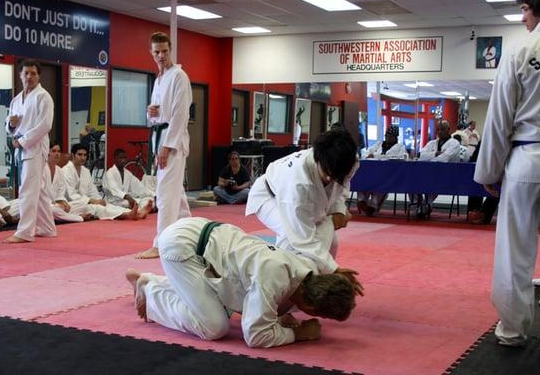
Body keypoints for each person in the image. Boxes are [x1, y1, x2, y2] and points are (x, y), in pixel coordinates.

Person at [473, 0, 540, 365]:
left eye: (524, 10)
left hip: (528, 160)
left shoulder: (521, 51)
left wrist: (488, 173)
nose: (523, 19)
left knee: (514, 254)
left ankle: (513, 330)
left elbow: (499, 120)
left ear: (538, 8)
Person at [125, 217, 357, 348]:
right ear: (311, 308)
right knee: (215, 326)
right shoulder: (275, 277)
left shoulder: (306, 273)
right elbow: (255, 335)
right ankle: (151, 293)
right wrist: (299, 334)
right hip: (182, 247)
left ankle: (153, 279)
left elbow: (253, 295)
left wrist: (278, 317)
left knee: (224, 305)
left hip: (200, 238)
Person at [246, 129, 362, 291]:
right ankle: (277, 291)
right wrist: (334, 268)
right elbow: (302, 238)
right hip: (269, 197)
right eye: (327, 173)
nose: (330, 179)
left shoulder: (349, 161)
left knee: (331, 241)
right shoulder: (298, 182)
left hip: (310, 199)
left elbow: (342, 186)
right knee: (290, 238)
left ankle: (321, 285)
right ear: (318, 158)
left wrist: (338, 209)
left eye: (335, 176)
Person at [136, 31, 192, 260]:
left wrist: (167, 146)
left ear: (171, 50)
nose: (161, 55)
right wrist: (150, 112)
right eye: (156, 52)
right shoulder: (159, 78)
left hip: (172, 141)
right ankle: (191, 234)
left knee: (165, 194)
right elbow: (157, 113)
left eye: (164, 51)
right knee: (175, 194)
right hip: (159, 136)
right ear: (151, 52)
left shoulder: (179, 76)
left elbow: (180, 114)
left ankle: (161, 245)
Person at [4, 59, 56, 243]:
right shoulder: (16, 100)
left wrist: (23, 141)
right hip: (22, 150)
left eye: (33, 73)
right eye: (26, 73)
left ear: (38, 75)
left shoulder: (43, 96)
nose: (29, 76)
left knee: (27, 189)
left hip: (34, 149)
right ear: (20, 75)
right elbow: (9, 125)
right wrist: (11, 126)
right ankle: (48, 228)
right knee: (39, 191)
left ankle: (25, 232)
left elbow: (45, 125)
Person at [62, 144, 150, 221]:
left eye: (85, 155)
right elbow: (71, 195)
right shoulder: (66, 171)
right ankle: (129, 214)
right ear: (73, 156)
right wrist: (92, 201)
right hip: (73, 204)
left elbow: (92, 191)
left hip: (86, 202)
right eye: (79, 155)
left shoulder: (85, 171)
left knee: (105, 206)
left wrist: (98, 200)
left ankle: (133, 213)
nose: (83, 157)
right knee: (96, 208)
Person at [412, 119, 461, 218]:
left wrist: (429, 158)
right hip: (430, 174)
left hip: (448, 176)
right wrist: (435, 154)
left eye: (442, 129)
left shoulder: (454, 143)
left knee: (431, 181)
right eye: (438, 129)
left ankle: (427, 205)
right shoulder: (432, 143)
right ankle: (420, 205)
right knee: (411, 182)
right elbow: (421, 156)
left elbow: (444, 158)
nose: (439, 132)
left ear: (448, 129)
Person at [357, 125, 407, 216]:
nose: (388, 138)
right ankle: (362, 201)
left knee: (382, 185)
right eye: (386, 136)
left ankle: (373, 207)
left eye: (390, 136)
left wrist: (376, 156)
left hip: (388, 175)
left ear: (396, 137)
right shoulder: (378, 144)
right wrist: (368, 155)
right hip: (372, 172)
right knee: (361, 179)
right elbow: (367, 152)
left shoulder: (400, 147)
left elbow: (400, 158)